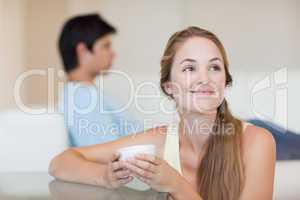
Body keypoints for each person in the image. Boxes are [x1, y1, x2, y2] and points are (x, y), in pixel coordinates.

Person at [50, 27, 276, 200]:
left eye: (214, 67)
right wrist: (105, 177)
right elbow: (61, 162)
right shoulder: (158, 140)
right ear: (168, 86)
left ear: (225, 81)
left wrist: (176, 185)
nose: (204, 78)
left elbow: (175, 185)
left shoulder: (258, 142)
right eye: (189, 68)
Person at [58, 13, 142, 147]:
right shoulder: (82, 100)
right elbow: (106, 155)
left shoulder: (88, 95)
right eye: (106, 46)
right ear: (83, 51)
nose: (113, 54)